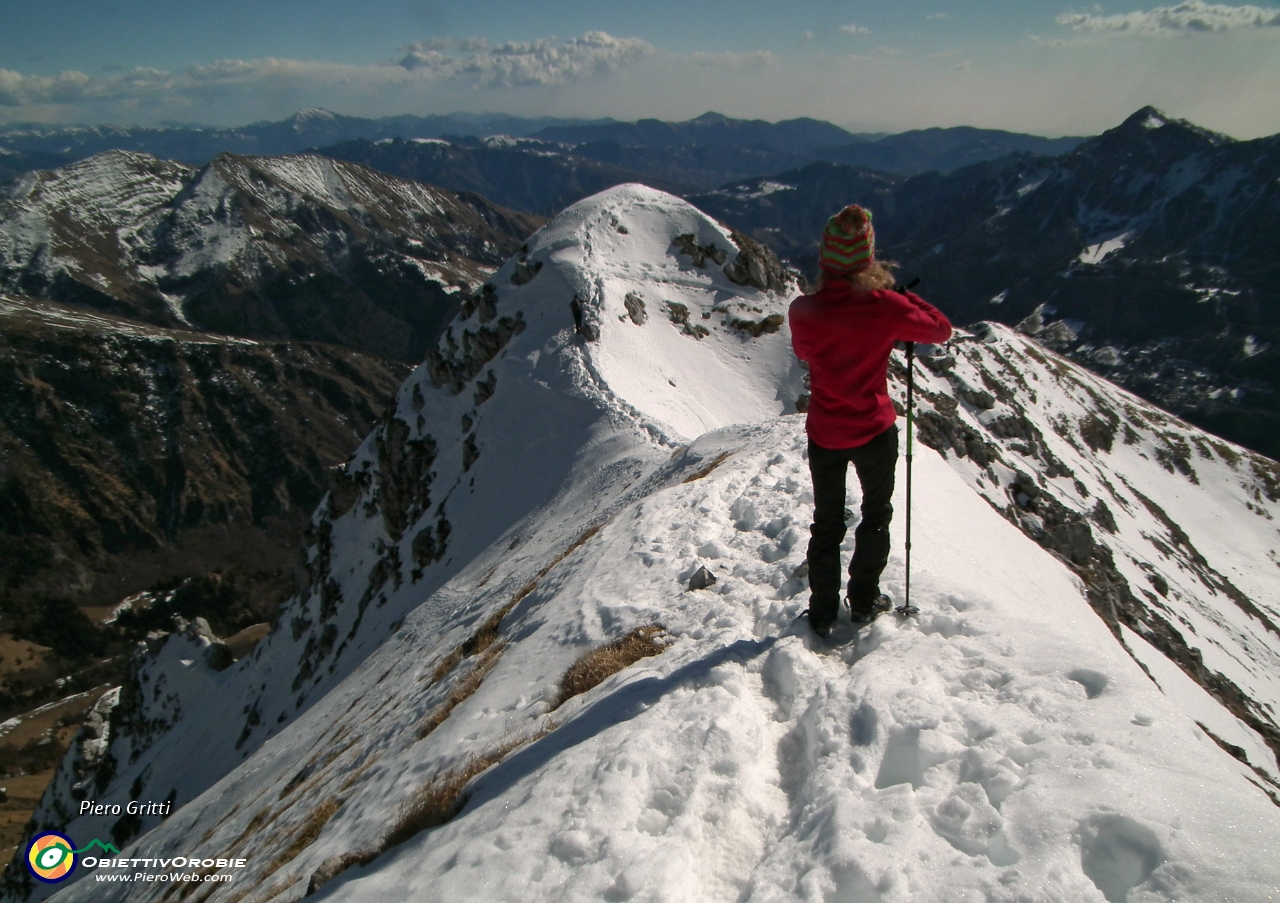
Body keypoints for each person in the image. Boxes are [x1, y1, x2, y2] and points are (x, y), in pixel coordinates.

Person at [788, 204, 952, 638]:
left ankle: (821, 611)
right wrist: (903, 295)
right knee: (875, 514)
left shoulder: (804, 311)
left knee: (827, 523)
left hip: (825, 431)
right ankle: (863, 601)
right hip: (874, 430)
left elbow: (806, 352)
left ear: (825, 259)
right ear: (868, 259)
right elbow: (939, 329)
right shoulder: (884, 306)